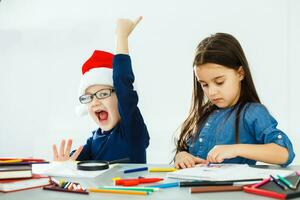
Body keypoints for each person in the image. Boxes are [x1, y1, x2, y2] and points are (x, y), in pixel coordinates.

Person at [174, 33, 295, 169]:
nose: (212, 92)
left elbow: (285, 153)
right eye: (204, 84)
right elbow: (185, 149)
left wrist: (235, 149)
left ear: (240, 73)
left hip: (231, 190)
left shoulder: (252, 113)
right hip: (193, 188)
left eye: (219, 82)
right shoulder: (204, 113)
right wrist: (182, 156)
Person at [52, 16, 150, 163]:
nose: (95, 102)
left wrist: (121, 36)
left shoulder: (132, 130)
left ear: (120, 97)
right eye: (89, 97)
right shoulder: (94, 140)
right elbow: (74, 163)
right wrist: (66, 164)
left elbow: (123, 84)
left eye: (103, 94)